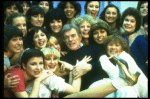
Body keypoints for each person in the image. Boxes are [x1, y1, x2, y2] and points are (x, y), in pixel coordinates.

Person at [60, 23, 109, 91]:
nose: (70, 39)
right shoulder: (63, 59)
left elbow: (110, 63)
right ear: (64, 41)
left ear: (80, 37)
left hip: (102, 88)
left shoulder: (95, 48)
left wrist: (90, 66)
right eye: (66, 37)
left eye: (73, 36)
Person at [121, 7, 148, 77]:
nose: (128, 23)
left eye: (132, 21)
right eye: (126, 20)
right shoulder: (120, 38)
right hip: (124, 75)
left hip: (141, 76)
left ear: (137, 24)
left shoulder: (141, 39)